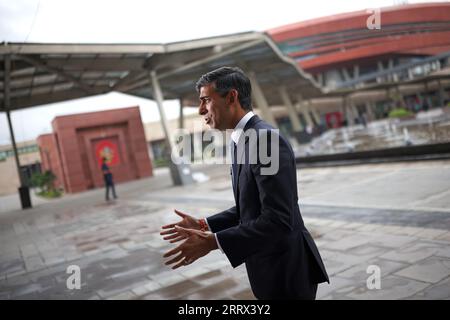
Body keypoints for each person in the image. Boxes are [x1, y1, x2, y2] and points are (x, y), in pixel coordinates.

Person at [160, 67, 329, 300]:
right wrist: (205, 224)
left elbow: (278, 219)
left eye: (206, 100)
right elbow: (252, 207)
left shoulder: (265, 140)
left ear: (231, 97)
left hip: (287, 271)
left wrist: (214, 242)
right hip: (267, 267)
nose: (201, 110)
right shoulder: (241, 140)